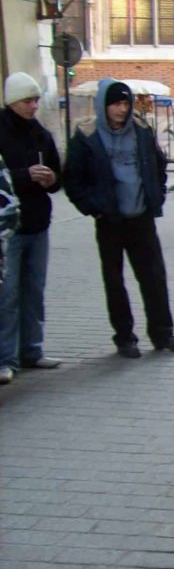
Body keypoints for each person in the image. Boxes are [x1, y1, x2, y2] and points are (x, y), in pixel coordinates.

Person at [62, 78, 174, 359]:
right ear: (104, 105)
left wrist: (158, 193)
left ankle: (162, 333)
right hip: (110, 220)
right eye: (116, 104)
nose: (122, 109)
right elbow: (73, 179)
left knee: (154, 276)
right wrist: (93, 208)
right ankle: (124, 337)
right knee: (115, 280)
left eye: (125, 103)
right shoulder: (87, 134)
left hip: (141, 216)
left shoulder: (141, 129)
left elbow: (158, 164)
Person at [0, 73, 63, 384]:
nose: (33, 105)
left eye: (36, 99)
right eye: (27, 100)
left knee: (34, 290)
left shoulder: (41, 134)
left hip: (38, 223)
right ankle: (5, 359)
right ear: (12, 101)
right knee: (7, 294)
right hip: (8, 229)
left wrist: (53, 179)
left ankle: (32, 350)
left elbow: (57, 173)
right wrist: (24, 175)